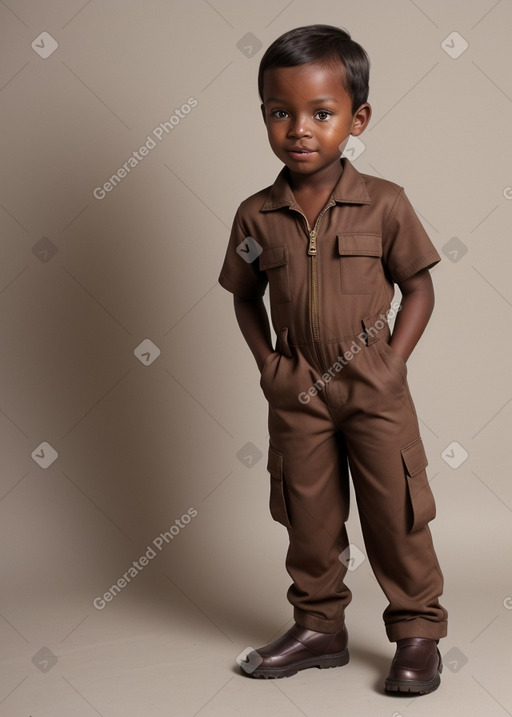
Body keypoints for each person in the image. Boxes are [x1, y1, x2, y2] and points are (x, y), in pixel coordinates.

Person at [218, 24, 447, 695]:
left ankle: (418, 633)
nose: (300, 129)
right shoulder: (256, 217)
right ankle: (319, 627)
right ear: (263, 115)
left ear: (357, 117)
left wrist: (392, 362)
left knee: (395, 512)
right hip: (299, 397)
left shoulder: (385, 204)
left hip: (373, 392)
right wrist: (270, 366)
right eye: (280, 112)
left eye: (322, 113)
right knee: (307, 518)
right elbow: (243, 298)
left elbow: (421, 287)